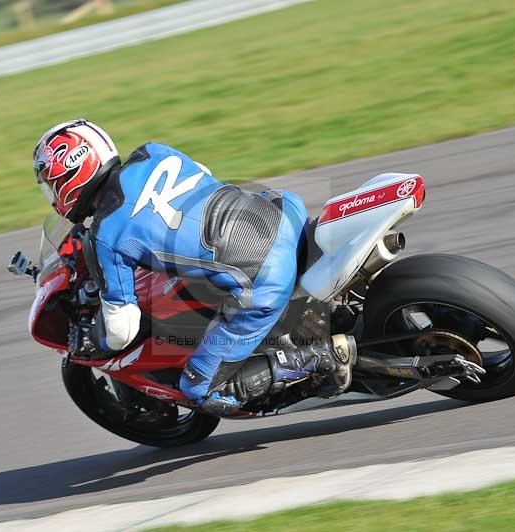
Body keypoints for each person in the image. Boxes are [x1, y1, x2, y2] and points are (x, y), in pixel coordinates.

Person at [32, 119, 355, 414]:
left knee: (198, 389)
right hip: (282, 212)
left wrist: (96, 337)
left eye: (50, 184)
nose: (52, 195)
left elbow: (122, 330)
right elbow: (201, 177)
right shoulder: (152, 153)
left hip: (263, 277)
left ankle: (320, 357)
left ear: (69, 178)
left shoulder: (106, 236)